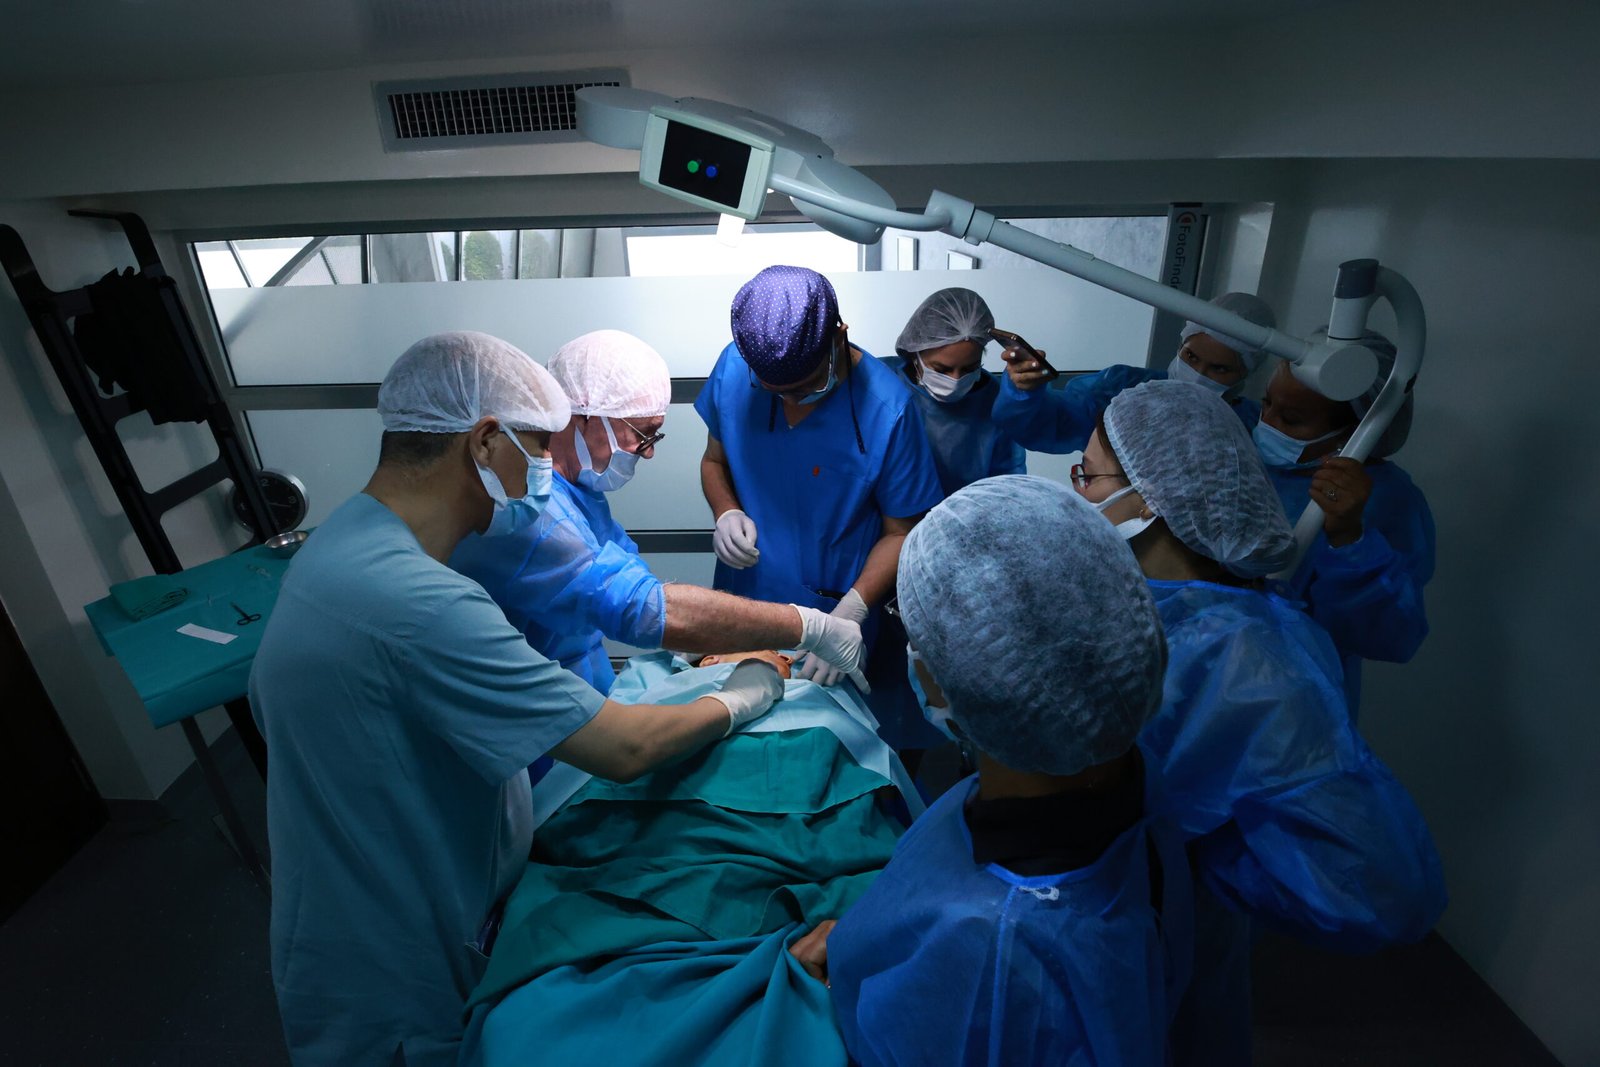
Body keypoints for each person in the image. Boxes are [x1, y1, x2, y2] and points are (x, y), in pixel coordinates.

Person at [249, 331, 789, 1067]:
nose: (547, 466)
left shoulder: (346, 538)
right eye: (538, 444)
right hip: (402, 967)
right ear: (484, 441)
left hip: (361, 904)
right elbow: (626, 748)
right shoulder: (417, 602)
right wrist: (747, 693)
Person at [1081, 379, 1446, 1065]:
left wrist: (1198, 850)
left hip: (1158, 933)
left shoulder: (1246, 656)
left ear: (1151, 498)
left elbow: (1382, 887)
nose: (1078, 494)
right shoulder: (1136, 594)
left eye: (1088, 476)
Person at [789, 475, 1192, 1067]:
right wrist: (867, 943)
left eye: (912, 626)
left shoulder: (992, 951)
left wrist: (828, 995)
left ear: (942, 675)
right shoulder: (1120, 775)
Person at [450, 329, 867, 697]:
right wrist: (810, 627)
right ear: (584, 416)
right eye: (641, 434)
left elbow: (635, 577)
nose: (648, 452)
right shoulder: (530, 513)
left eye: (655, 435)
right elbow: (641, 606)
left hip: (581, 698)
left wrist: (703, 635)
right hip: (539, 733)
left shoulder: (576, 494)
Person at [696, 265, 945, 749]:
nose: (790, 402)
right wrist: (725, 510)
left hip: (834, 615)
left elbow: (903, 530)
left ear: (839, 335)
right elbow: (713, 461)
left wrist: (851, 612)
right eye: (775, 391)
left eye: (805, 385)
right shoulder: (735, 368)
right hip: (744, 602)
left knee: (824, 753)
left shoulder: (888, 410)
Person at [1253, 330, 1435, 714]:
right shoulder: (1250, 462)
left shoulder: (1386, 502)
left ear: (1354, 433)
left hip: (1292, 701)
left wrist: (1349, 536)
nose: (1266, 423)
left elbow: (1391, 636)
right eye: (1265, 404)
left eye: (1291, 419)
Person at [992, 291, 1275, 453]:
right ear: (1180, 345)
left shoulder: (1256, 430)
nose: (1198, 373)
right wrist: (1024, 394)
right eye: (1190, 356)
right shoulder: (1123, 390)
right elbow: (1055, 422)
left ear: (1244, 374)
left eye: (1219, 369)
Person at [886, 287, 1025, 495]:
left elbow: (1007, 488)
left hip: (963, 520)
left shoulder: (997, 402)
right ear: (915, 353)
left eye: (969, 369)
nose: (955, 380)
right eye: (941, 369)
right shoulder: (883, 382)